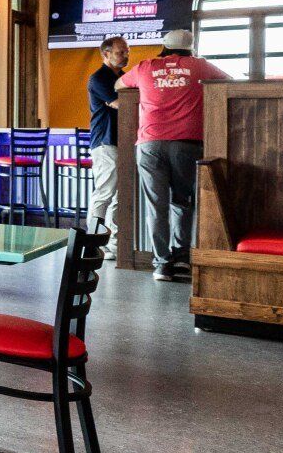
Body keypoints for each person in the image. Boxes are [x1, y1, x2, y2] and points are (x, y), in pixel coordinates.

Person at [118, 29, 229, 282]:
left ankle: (161, 265)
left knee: (156, 206)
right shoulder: (199, 67)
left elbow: (118, 84)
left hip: (150, 143)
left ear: (164, 46)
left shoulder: (146, 66)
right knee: (182, 201)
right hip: (186, 143)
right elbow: (229, 82)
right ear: (190, 48)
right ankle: (181, 259)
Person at [86, 36, 129, 259]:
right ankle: (92, 242)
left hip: (123, 141)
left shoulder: (124, 78)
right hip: (105, 141)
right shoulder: (98, 78)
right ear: (106, 54)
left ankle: (114, 243)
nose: (125, 56)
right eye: (120, 52)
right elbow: (120, 104)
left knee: (120, 195)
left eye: (126, 52)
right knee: (104, 192)